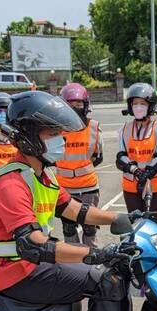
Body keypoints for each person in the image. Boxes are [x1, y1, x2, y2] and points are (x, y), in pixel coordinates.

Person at [0, 91, 148, 311]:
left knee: (118, 272)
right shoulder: (11, 184)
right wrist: (97, 254)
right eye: (53, 134)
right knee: (106, 280)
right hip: (17, 272)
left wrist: (120, 219)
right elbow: (34, 245)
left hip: (33, 265)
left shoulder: (41, 175)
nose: (62, 141)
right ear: (30, 138)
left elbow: (76, 210)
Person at [57, 82, 103, 248]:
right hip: (64, 188)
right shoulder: (56, 129)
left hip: (88, 187)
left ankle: (93, 260)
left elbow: (98, 157)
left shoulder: (94, 127)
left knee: (89, 227)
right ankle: (74, 263)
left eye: (79, 104)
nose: (75, 108)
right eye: (70, 106)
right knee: (69, 228)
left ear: (86, 105)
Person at [115, 82, 157, 223]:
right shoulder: (125, 128)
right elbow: (121, 157)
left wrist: (147, 173)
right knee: (134, 223)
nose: (138, 107)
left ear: (150, 105)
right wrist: (137, 172)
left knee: (153, 223)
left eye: (142, 103)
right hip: (131, 185)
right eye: (135, 103)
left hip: (154, 185)